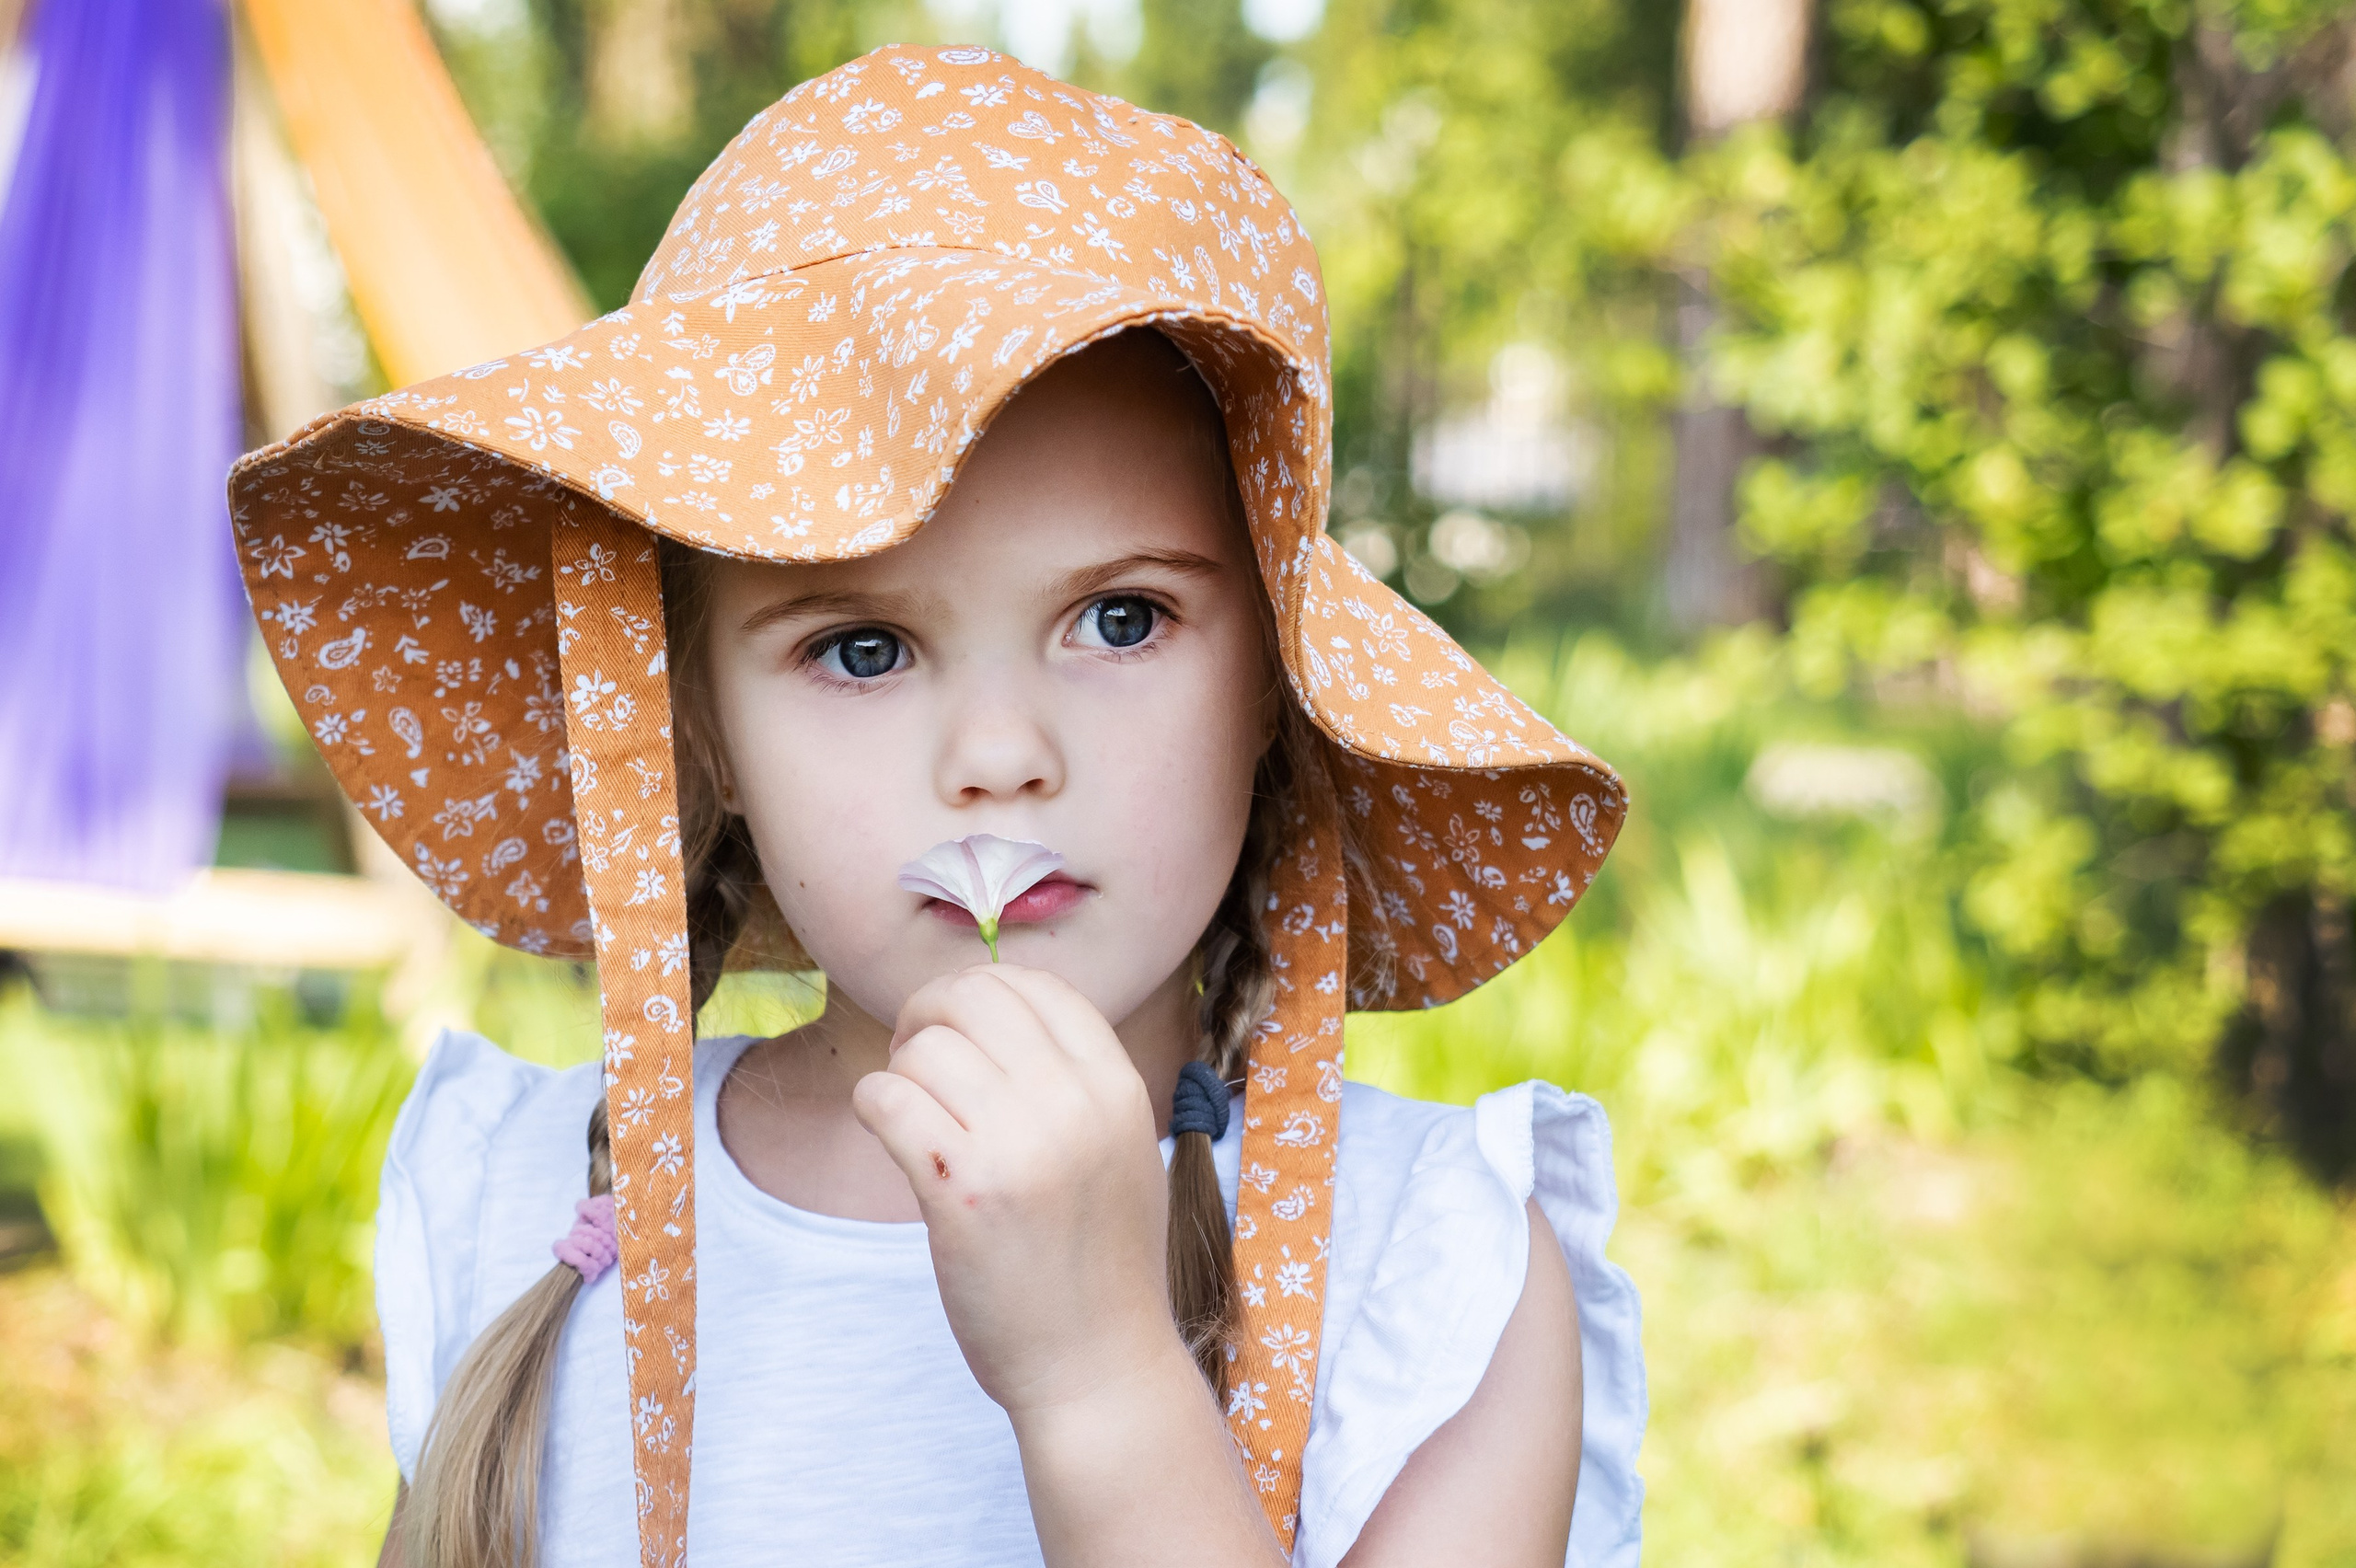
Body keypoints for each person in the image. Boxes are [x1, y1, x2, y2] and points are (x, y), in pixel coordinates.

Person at [228, 44, 1644, 1568]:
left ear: (1280, 686)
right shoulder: (517, 1211)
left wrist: (1101, 1380)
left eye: (1120, 620)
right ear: (697, 729)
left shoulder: (1432, 1279)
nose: (996, 753)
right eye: (860, 648)